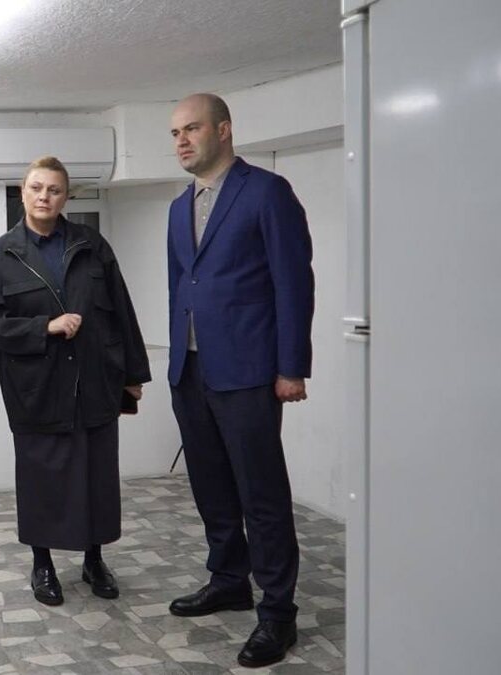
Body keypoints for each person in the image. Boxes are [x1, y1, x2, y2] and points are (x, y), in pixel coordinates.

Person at [164, 93, 315, 668]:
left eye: (192, 128)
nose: (182, 140)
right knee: (211, 486)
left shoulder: (266, 192)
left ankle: (278, 612)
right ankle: (229, 579)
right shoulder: (179, 207)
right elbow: (181, 287)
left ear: (223, 130)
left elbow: (292, 283)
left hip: (249, 371)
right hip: (192, 370)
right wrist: (175, 361)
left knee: (261, 494)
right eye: (175, 133)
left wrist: (291, 366)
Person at [0, 156, 151, 606]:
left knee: (97, 478)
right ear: (23, 192)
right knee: (41, 480)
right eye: (36, 188)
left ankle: (94, 559)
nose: (44, 197)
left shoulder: (92, 246)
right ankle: (43, 565)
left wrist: (133, 375)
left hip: (94, 383)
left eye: (53, 190)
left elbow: (122, 311)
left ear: (65, 196)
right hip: (37, 389)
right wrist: (44, 327)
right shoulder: (1, 254)